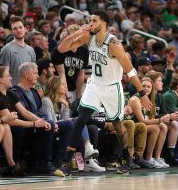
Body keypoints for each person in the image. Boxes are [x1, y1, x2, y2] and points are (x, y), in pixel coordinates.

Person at [57, 11, 151, 174]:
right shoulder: (89, 37)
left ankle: (125, 158)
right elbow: (61, 48)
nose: (91, 23)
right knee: (81, 119)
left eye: (94, 20)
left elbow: (131, 72)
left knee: (117, 124)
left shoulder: (114, 44)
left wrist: (142, 94)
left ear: (104, 24)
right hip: (94, 84)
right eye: (90, 20)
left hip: (111, 87)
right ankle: (66, 161)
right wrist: (80, 32)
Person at [0, 66, 64, 177]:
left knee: (47, 125)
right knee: (20, 129)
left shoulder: (10, 93)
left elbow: (24, 112)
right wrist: (34, 124)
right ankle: (15, 163)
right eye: (8, 76)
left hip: (15, 126)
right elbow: (10, 121)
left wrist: (41, 121)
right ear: (1, 80)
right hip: (4, 127)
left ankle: (42, 163)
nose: (11, 78)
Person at [39, 76, 105, 172]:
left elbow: (64, 122)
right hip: (47, 130)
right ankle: (87, 149)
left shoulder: (61, 102)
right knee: (77, 121)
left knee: (79, 123)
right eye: (62, 85)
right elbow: (51, 123)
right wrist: (69, 119)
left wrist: (66, 106)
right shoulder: (46, 101)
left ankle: (88, 157)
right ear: (55, 86)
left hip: (58, 129)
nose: (65, 87)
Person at [129, 77, 170, 168]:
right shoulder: (135, 99)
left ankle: (156, 158)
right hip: (132, 125)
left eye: (149, 87)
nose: (146, 88)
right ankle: (146, 158)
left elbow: (150, 118)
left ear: (152, 89)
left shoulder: (149, 99)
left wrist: (161, 121)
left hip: (141, 125)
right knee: (156, 127)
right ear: (139, 87)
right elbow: (142, 120)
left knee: (162, 126)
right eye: (143, 86)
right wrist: (160, 119)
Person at [0, 16, 36, 85]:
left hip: (29, 90)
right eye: (15, 29)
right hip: (14, 90)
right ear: (12, 32)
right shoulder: (6, 49)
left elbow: (33, 73)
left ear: (25, 29)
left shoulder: (31, 50)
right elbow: (5, 74)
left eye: (20, 27)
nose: (18, 30)